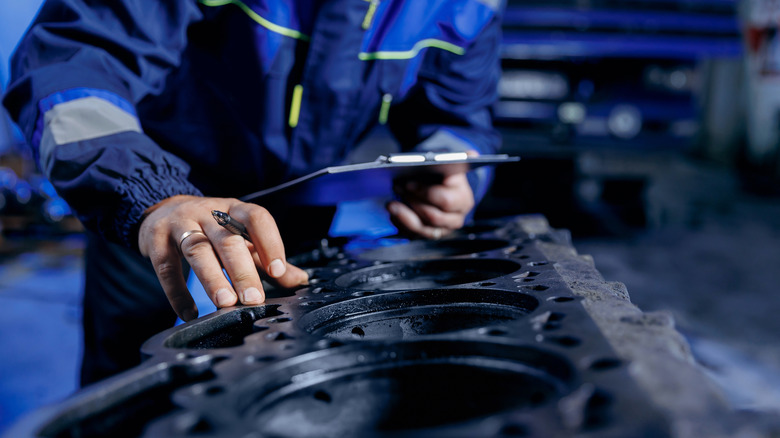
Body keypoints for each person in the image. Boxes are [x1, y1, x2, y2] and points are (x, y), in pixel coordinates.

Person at [2, 0, 503, 384]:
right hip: (154, 201)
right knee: (131, 370)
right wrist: (149, 193)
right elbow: (72, 62)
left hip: (297, 203)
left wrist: (455, 176)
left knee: (292, 370)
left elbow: (461, 118)